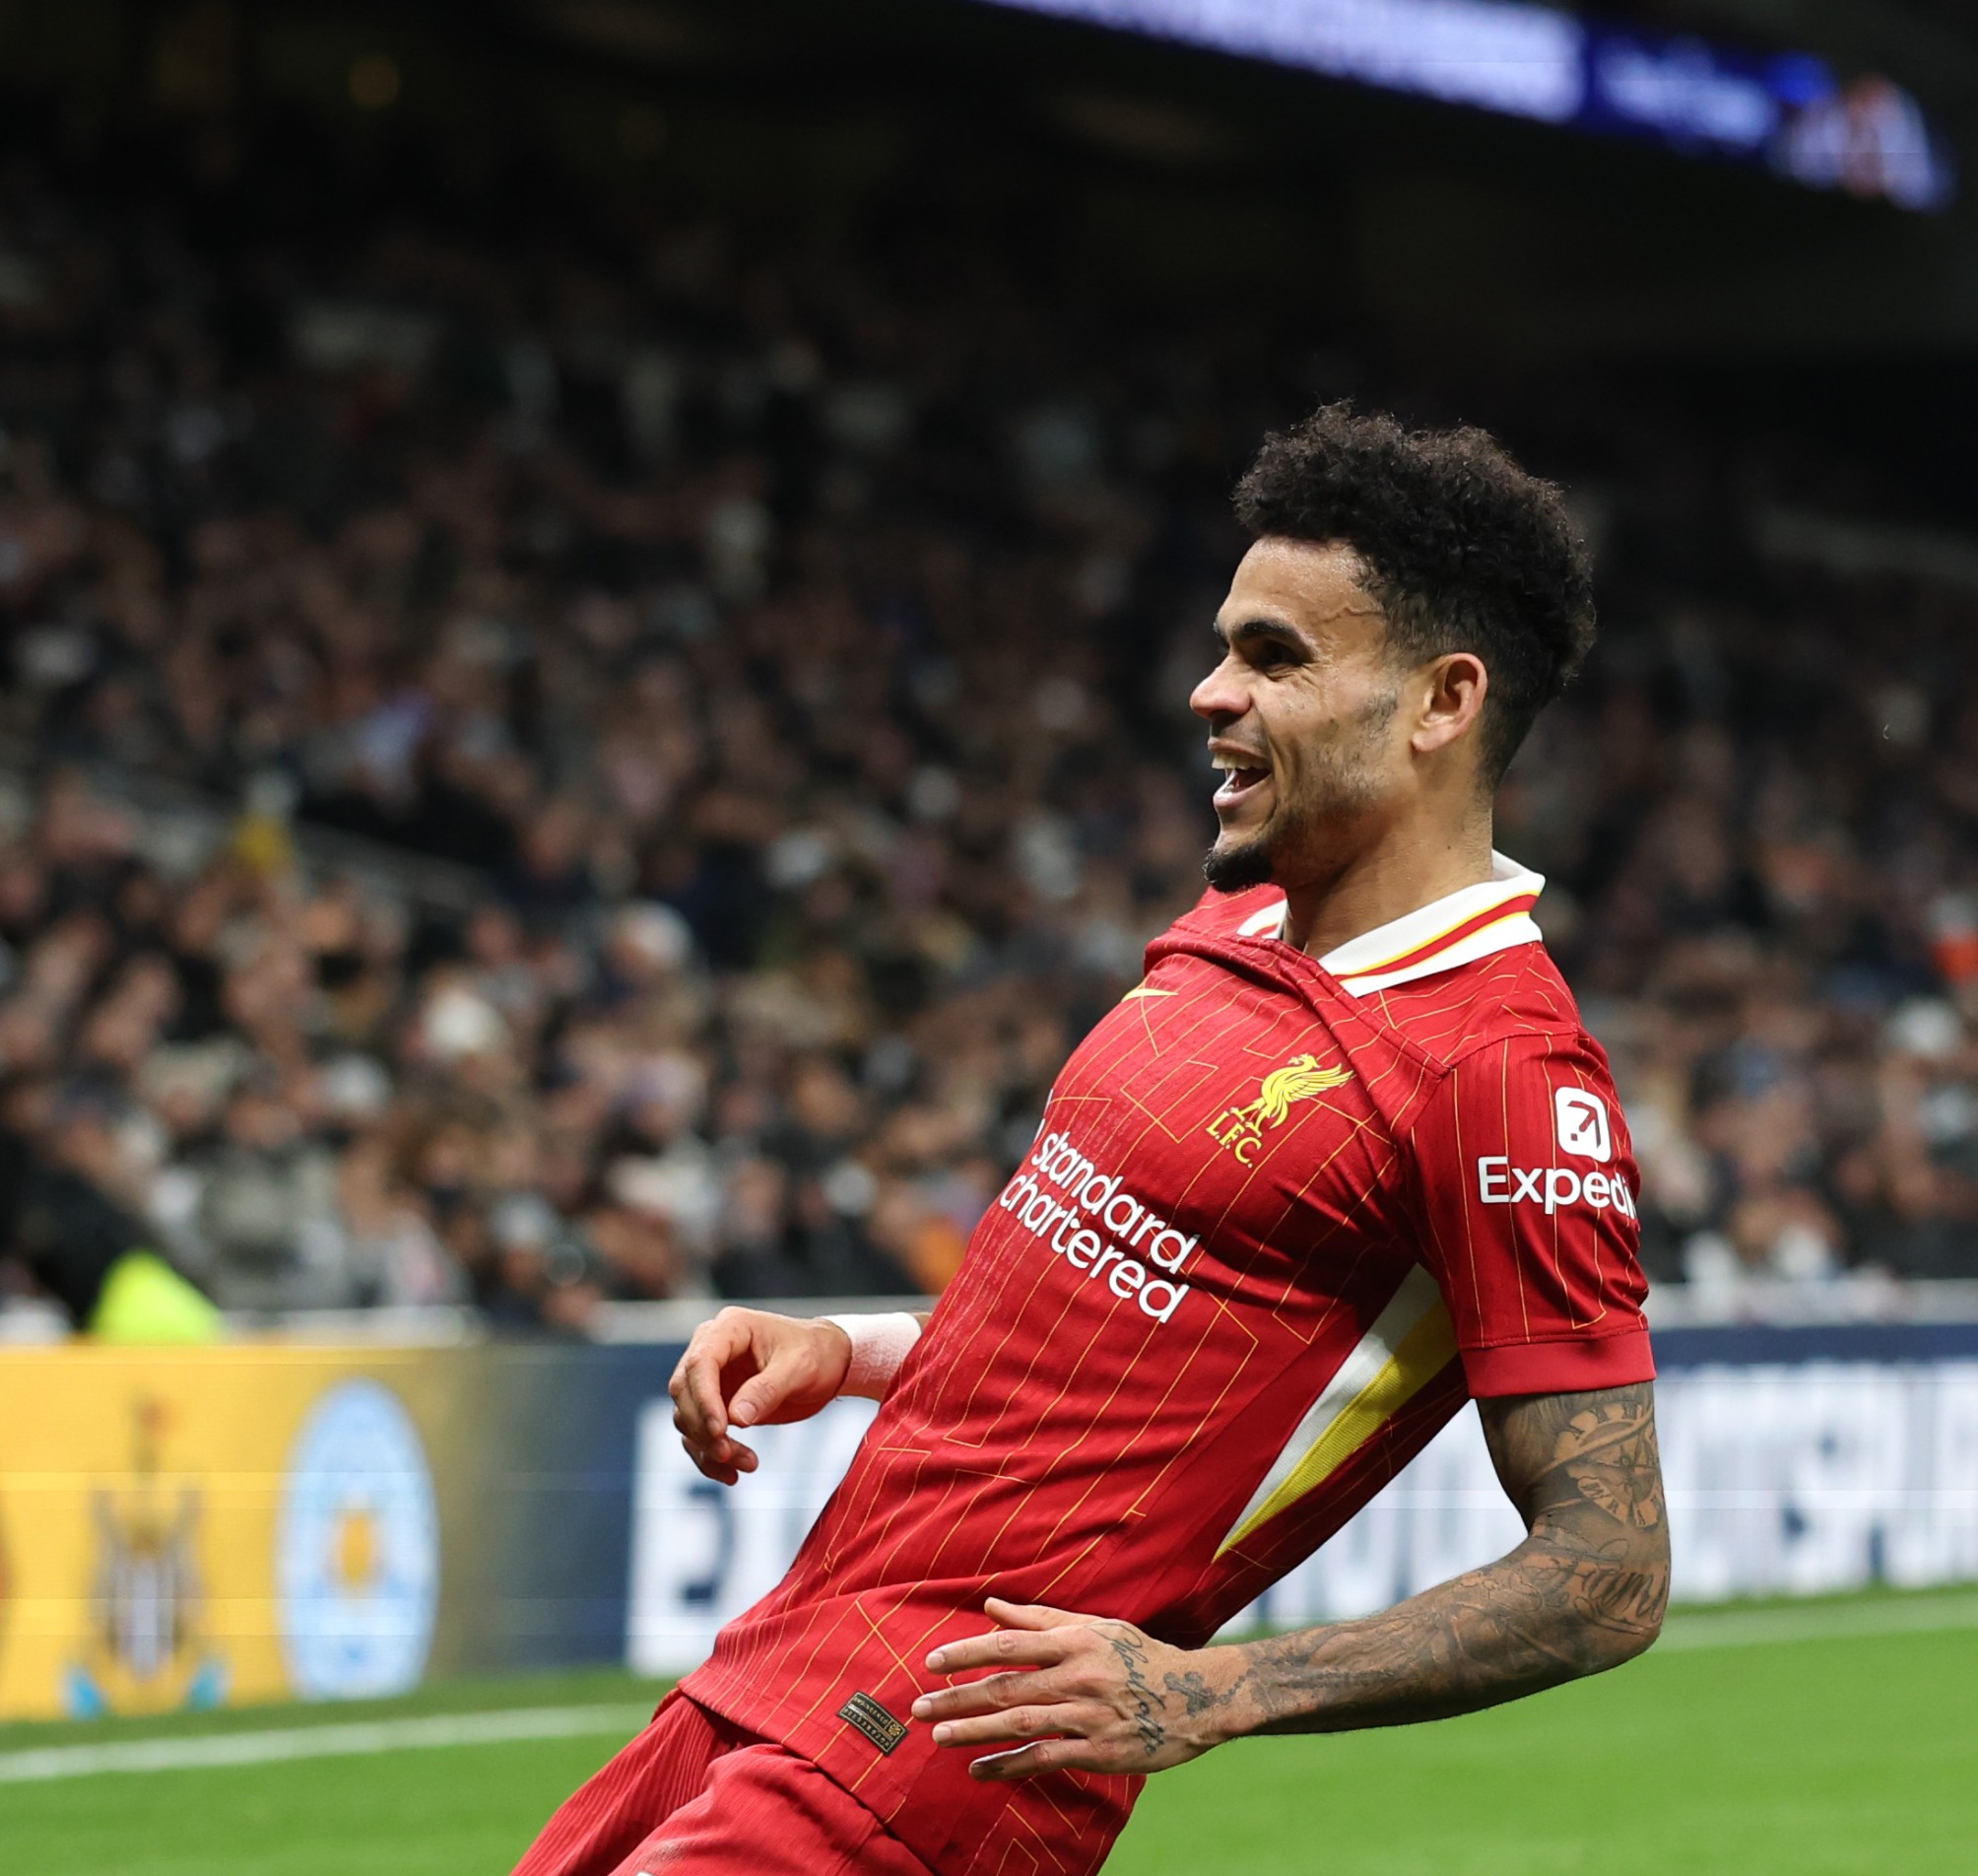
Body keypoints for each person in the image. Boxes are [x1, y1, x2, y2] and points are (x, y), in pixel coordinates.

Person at [518, 406, 1669, 1876]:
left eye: (1275, 657)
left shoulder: (1502, 1074)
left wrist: (1219, 1691)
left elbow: (1611, 1568)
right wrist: (855, 1350)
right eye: (1224, 646)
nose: (1209, 693)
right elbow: (1121, 1320)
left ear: (1443, 702)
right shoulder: (1230, 926)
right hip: (772, 1671)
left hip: (939, 1758)